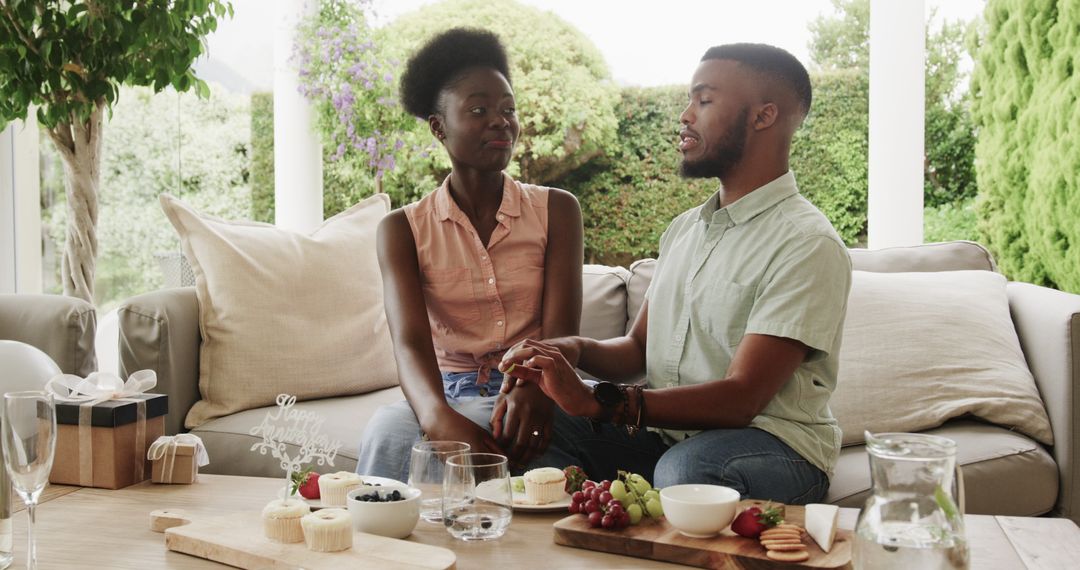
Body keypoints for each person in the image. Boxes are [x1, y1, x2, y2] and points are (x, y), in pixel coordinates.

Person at [500, 43, 851, 505]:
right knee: (540, 421)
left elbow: (742, 398)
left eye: (704, 100)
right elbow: (637, 351)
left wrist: (602, 402)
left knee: (688, 469)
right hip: (668, 440)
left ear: (763, 116)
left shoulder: (806, 243)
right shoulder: (685, 229)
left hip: (774, 447)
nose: (685, 115)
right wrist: (565, 352)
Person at [355, 28, 583, 481]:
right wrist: (437, 418)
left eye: (508, 109)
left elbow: (560, 335)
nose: (501, 122)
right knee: (388, 430)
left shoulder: (558, 210)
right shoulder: (401, 230)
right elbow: (410, 344)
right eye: (479, 110)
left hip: (542, 386)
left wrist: (536, 386)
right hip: (452, 391)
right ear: (439, 127)